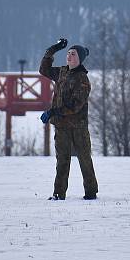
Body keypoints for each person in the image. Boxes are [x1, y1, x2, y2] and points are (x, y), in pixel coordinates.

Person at [39, 38, 99, 201]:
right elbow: (44, 70)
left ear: (79, 59)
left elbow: (75, 106)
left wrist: (52, 112)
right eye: (68, 53)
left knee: (84, 159)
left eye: (73, 54)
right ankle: (58, 194)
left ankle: (91, 192)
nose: (69, 56)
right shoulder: (62, 72)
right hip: (61, 126)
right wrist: (52, 50)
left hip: (78, 127)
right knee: (62, 161)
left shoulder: (82, 79)